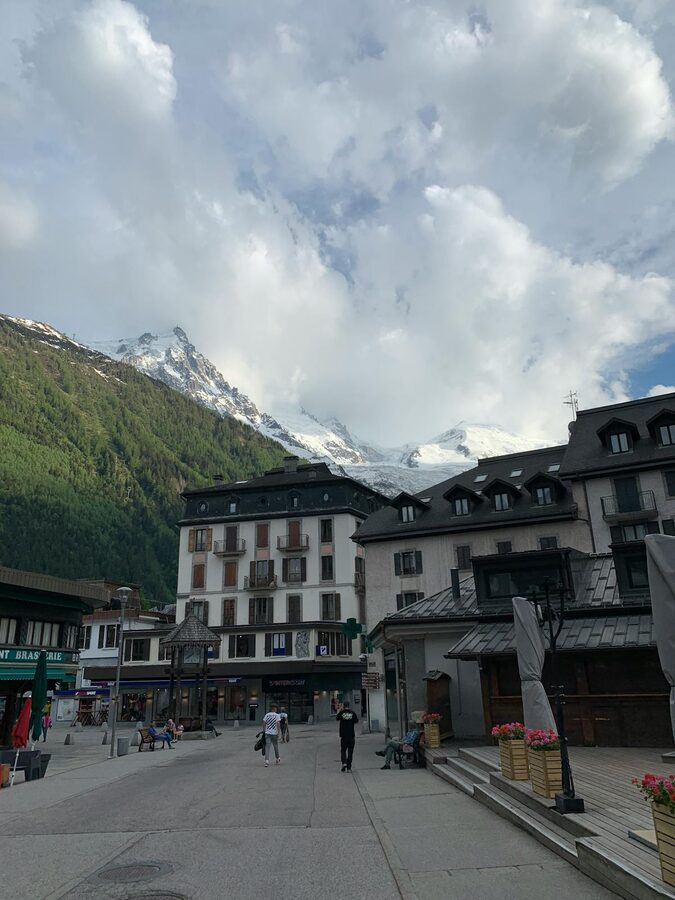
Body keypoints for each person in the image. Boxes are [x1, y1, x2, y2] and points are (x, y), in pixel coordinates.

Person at [335, 701, 359, 772]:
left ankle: (344, 763)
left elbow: (337, 718)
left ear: (343, 706)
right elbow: (356, 721)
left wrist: (339, 710)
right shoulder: (352, 713)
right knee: (350, 752)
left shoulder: (341, 713)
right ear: (349, 705)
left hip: (344, 736)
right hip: (351, 736)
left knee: (343, 750)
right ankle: (349, 768)